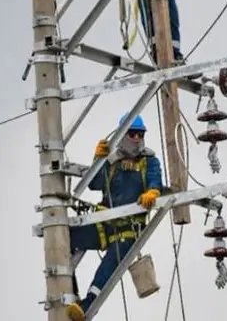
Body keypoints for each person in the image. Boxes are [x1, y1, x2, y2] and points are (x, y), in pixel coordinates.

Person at [66, 114, 163, 321]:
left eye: (140, 134)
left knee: (107, 268)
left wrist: (153, 192)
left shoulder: (149, 160)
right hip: (104, 224)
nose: (137, 138)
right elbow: (95, 184)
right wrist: (99, 160)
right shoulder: (112, 161)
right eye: (132, 134)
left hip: (129, 229)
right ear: (123, 135)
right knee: (65, 237)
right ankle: (69, 293)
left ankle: (86, 305)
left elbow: (155, 180)